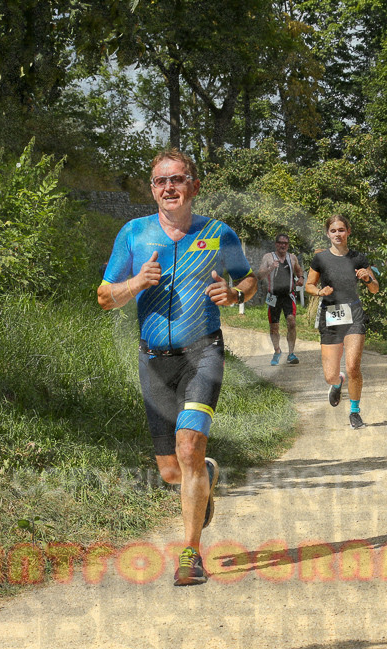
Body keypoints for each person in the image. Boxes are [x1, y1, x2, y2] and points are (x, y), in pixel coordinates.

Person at [97, 149, 257, 586]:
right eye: (161, 181)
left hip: (203, 354)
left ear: (194, 186)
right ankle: (205, 476)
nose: (169, 187)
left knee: (189, 446)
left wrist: (236, 294)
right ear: (153, 190)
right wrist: (136, 282)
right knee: (171, 470)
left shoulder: (218, 233)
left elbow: (248, 278)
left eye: (178, 179)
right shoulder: (134, 233)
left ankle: (190, 554)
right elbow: (105, 296)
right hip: (153, 360)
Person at [305, 214, 380, 429]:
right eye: (333, 230)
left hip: (353, 313)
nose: (337, 234)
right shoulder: (320, 258)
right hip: (330, 314)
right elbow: (309, 285)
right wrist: (320, 292)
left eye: (341, 230)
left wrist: (367, 278)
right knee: (330, 376)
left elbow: (375, 289)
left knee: (353, 366)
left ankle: (355, 411)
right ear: (327, 234)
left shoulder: (358, 258)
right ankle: (337, 384)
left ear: (348, 232)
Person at [257, 233, 303, 365]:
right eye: (280, 243)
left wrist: (301, 278)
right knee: (274, 327)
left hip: (288, 295)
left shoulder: (292, 258)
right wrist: (270, 268)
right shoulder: (268, 257)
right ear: (276, 244)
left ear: (288, 245)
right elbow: (259, 276)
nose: (283, 245)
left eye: (285, 243)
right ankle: (277, 351)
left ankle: (291, 354)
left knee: (291, 322)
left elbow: (298, 270)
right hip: (273, 296)